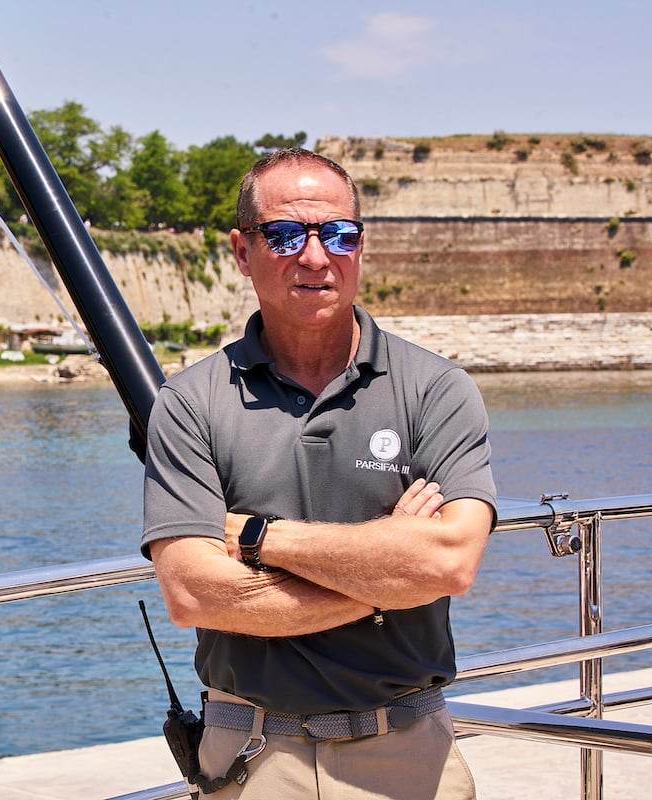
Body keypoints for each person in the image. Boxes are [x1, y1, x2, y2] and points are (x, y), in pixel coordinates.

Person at [141, 147, 496, 799]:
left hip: (409, 755)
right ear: (242, 253)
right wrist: (389, 571)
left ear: (360, 246)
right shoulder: (190, 404)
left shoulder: (436, 390)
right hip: (252, 761)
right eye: (283, 235)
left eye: (337, 233)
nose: (314, 257)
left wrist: (255, 539)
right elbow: (194, 593)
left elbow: (449, 563)